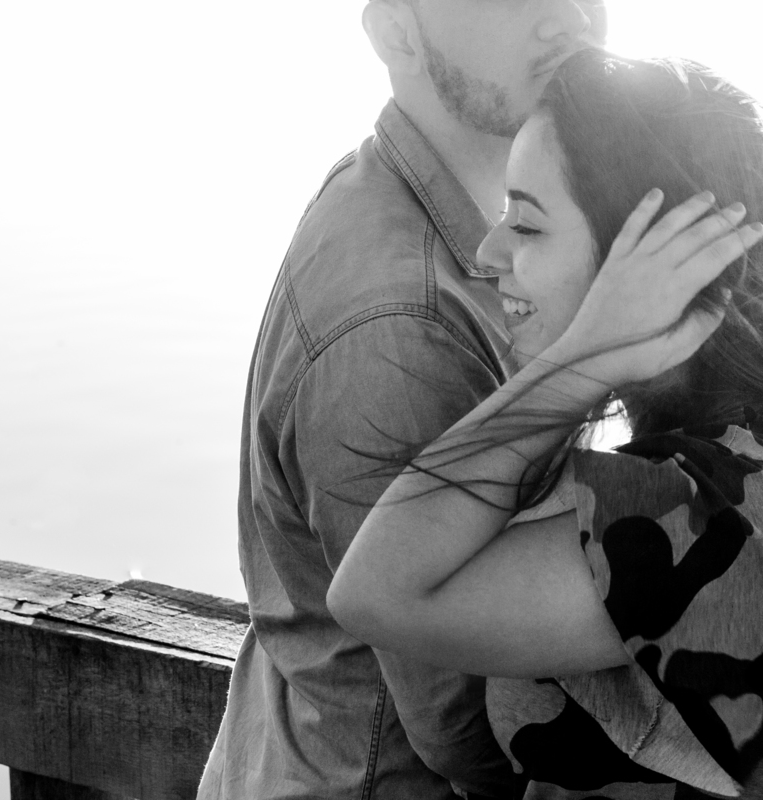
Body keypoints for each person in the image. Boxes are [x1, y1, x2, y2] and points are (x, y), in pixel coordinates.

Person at [329, 50, 763, 799]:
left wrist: (582, 360)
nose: (489, 254)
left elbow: (374, 594)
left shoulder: (722, 509)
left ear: (644, 261)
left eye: (525, 223)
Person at [197, 2, 607, 798]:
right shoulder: (401, 325)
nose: (573, 20)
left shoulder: (407, 197)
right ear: (396, 32)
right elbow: (470, 728)